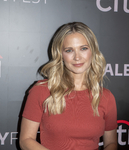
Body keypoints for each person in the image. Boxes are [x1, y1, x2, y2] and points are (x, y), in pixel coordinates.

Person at [19, 22, 118, 150]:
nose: (77, 57)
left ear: (93, 51)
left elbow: (111, 143)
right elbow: (26, 140)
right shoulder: (41, 91)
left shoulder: (106, 97)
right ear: (60, 54)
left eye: (83, 48)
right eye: (69, 50)